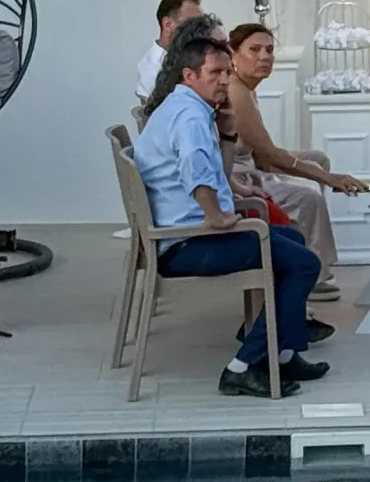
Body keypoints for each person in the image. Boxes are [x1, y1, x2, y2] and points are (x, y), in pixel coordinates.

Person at [135, 33, 327, 399]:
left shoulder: (186, 106)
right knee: (304, 264)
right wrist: (216, 215)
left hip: (183, 235)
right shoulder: (190, 117)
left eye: (227, 72)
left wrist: (226, 135)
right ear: (189, 75)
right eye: (214, 73)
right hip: (187, 243)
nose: (224, 80)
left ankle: (282, 353)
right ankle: (242, 367)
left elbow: (218, 176)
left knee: (293, 241)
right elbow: (195, 169)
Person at [227, 23, 368, 303]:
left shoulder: (248, 88)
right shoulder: (236, 91)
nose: (264, 56)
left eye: (269, 50)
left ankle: (310, 252)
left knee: (318, 159)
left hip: (253, 165)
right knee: (309, 195)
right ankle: (315, 275)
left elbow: (263, 153)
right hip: (239, 179)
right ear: (233, 55)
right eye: (254, 50)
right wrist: (329, 179)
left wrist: (315, 170)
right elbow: (269, 155)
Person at [137, 0, 204, 115]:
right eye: (191, 24)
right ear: (167, 24)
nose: (200, 31)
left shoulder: (187, 55)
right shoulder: (152, 67)